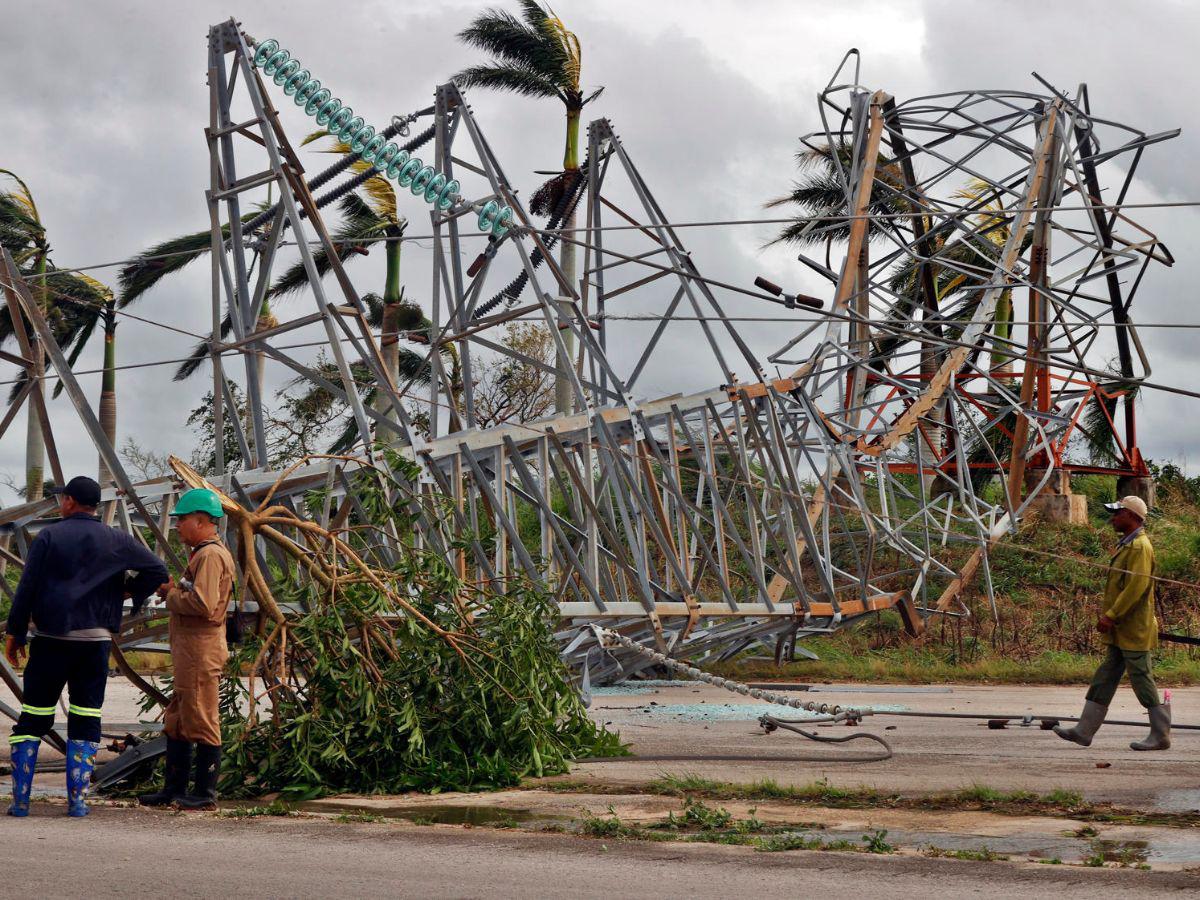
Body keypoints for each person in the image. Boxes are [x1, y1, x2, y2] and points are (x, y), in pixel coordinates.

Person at [5, 475, 168, 817]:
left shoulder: (48, 536)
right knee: (86, 715)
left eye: (62, 498)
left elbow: (27, 588)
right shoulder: (116, 539)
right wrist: (125, 591)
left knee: (33, 716)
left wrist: (16, 633)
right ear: (94, 506)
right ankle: (77, 802)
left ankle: (21, 802)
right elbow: (157, 569)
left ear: (69, 502)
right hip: (94, 643)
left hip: (52, 639)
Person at [138, 488, 235, 811]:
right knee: (178, 718)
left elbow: (203, 604)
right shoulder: (205, 553)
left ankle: (205, 793)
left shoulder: (209, 555)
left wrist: (170, 595)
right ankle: (174, 789)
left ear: (201, 521)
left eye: (182, 520)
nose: (177, 526)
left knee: (203, 717)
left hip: (200, 650)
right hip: (191, 651)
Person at [1054, 495, 1170, 751]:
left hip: (1133, 627)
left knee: (1142, 679)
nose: (1113, 518)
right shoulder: (1127, 545)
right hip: (1122, 629)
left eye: (1118, 513)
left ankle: (1161, 734)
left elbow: (1135, 587)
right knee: (1105, 676)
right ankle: (1084, 730)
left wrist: (1112, 615)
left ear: (1132, 516)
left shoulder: (1140, 546)